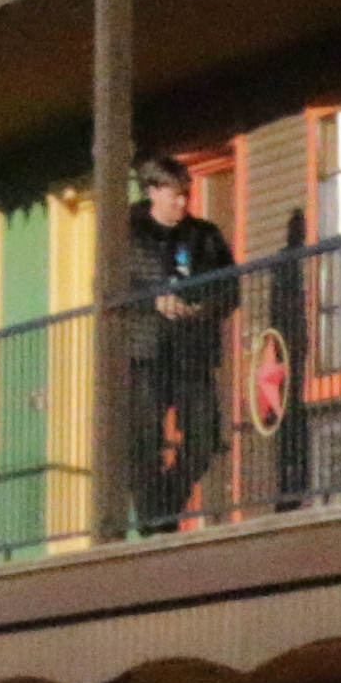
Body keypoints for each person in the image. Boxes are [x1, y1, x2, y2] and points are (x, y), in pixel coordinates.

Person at [118, 157, 239, 536]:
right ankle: (153, 524)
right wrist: (153, 300)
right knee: (145, 443)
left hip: (192, 353)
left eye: (185, 195)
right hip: (145, 354)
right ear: (153, 191)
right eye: (174, 195)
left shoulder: (205, 235)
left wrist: (202, 307)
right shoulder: (126, 234)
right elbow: (112, 289)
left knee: (204, 439)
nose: (182, 203)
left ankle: (164, 510)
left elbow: (230, 288)